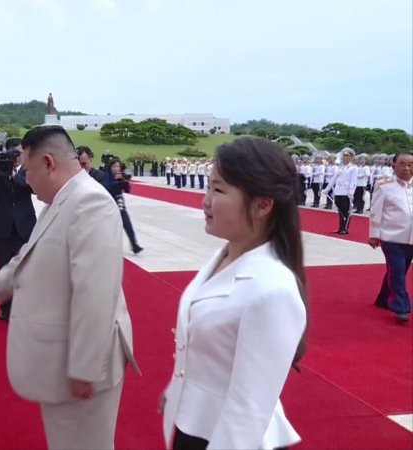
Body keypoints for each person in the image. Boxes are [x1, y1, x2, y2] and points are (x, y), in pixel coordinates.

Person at [0, 125, 139, 450]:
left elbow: (95, 291)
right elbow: (26, 259)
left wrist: (84, 368)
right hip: (65, 361)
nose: (25, 179)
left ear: (49, 163)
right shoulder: (61, 201)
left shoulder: (90, 203)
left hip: (84, 368)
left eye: (27, 170)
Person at [160, 137, 307, 450]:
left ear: (263, 204)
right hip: (196, 424)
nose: (205, 201)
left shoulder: (272, 289)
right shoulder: (226, 257)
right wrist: (180, 387)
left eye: (218, 189)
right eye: (208, 187)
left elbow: (248, 409)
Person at [0, 137, 36, 321]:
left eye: (19, 154)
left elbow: (32, 189)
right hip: (2, 226)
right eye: (12, 153)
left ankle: (24, 306)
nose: (16, 158)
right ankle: (6, 307)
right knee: (3, 265)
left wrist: (14, 176)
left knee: (26, 267)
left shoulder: (28, 172)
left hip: (25, 226)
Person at [369, 151, 413, 323]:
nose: (407, 168)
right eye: (402, 164)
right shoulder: (384, 185)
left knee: (399, 270)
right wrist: (374, 235)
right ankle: (401, 307)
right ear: (394, 165)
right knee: (397, 272)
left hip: (411, 239)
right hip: (392, 237)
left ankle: (383, 298)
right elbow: (376, 211)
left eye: (410, 164)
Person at [106, 159, 143, 255]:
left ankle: (134, 245)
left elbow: (127, 190)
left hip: (120, 204)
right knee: (110, 228)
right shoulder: (107, 177)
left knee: (128, 225)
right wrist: (117, 182)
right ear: (110, 168)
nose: (116, 168)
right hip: (110, 205)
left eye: (117, 166)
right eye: (114, 166)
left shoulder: (120, 176)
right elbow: (109, 188)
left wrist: (124, 181)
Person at [322, 148, 358, 235]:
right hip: (338, 191)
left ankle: (345, 228)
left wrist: (351, 192)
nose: (345, 157)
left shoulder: (353, 168)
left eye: (347, 156)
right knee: (340, 211)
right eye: (344, 155)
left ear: (351, 157)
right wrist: (327, 189)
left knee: (346, 211)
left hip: (346, 192)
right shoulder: (340, 167)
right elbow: (333, 179)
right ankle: (340, 227)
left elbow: (354, 181)